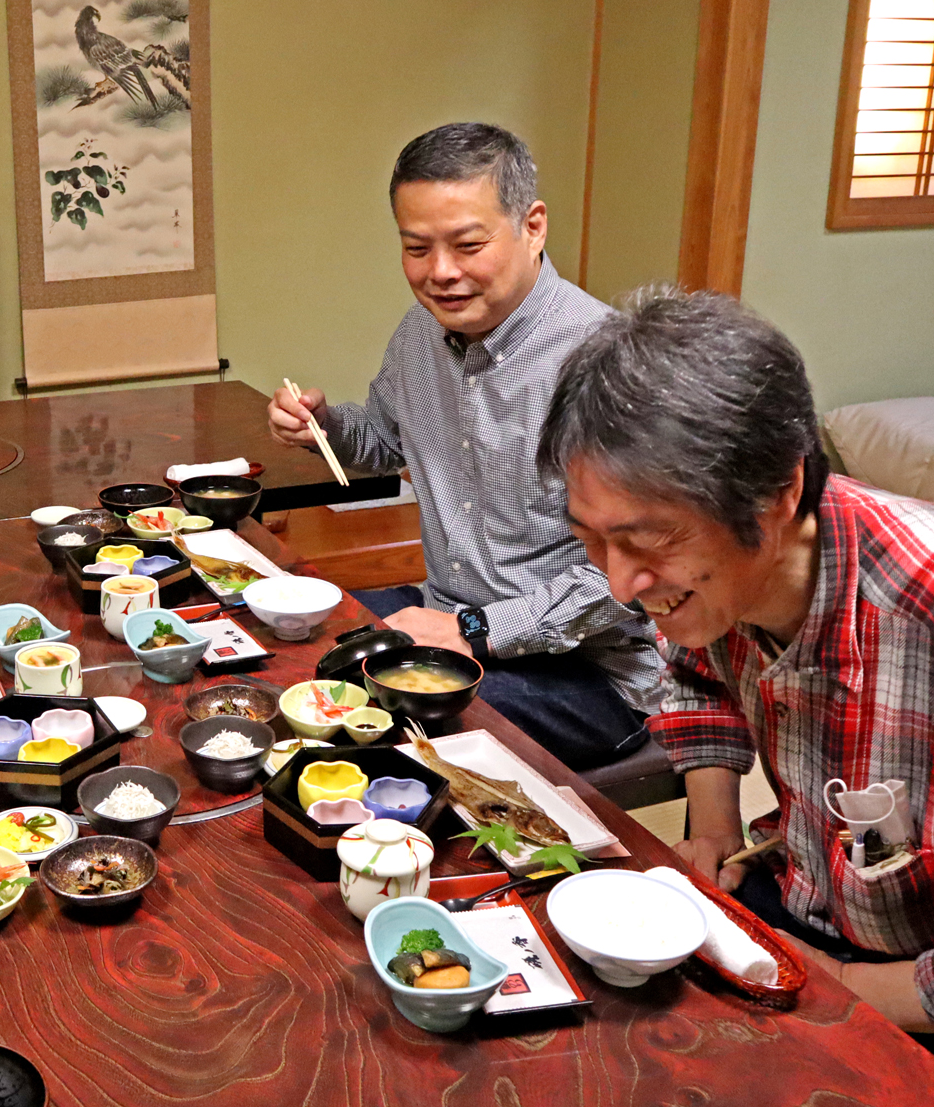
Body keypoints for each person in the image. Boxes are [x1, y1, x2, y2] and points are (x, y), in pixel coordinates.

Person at [537, 284, 934, 1107]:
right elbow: (695, 674)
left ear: (780, 492)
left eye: (646, 540)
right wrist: (714, 826)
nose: (617, 581)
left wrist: (848, 990)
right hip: (820, 907)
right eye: (591, 536)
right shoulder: (714, 588)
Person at [266, 122, 657, 770]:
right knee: (305, 646)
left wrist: (474, 631)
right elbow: (386, 440)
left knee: (386, 729)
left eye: (468, 245)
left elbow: (627, 579)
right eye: (417, 248)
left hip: (586, 675)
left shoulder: (605, 361)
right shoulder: (423, 331)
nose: (440, 273)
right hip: (448, 617)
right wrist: (324, 427)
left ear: (533, 226)